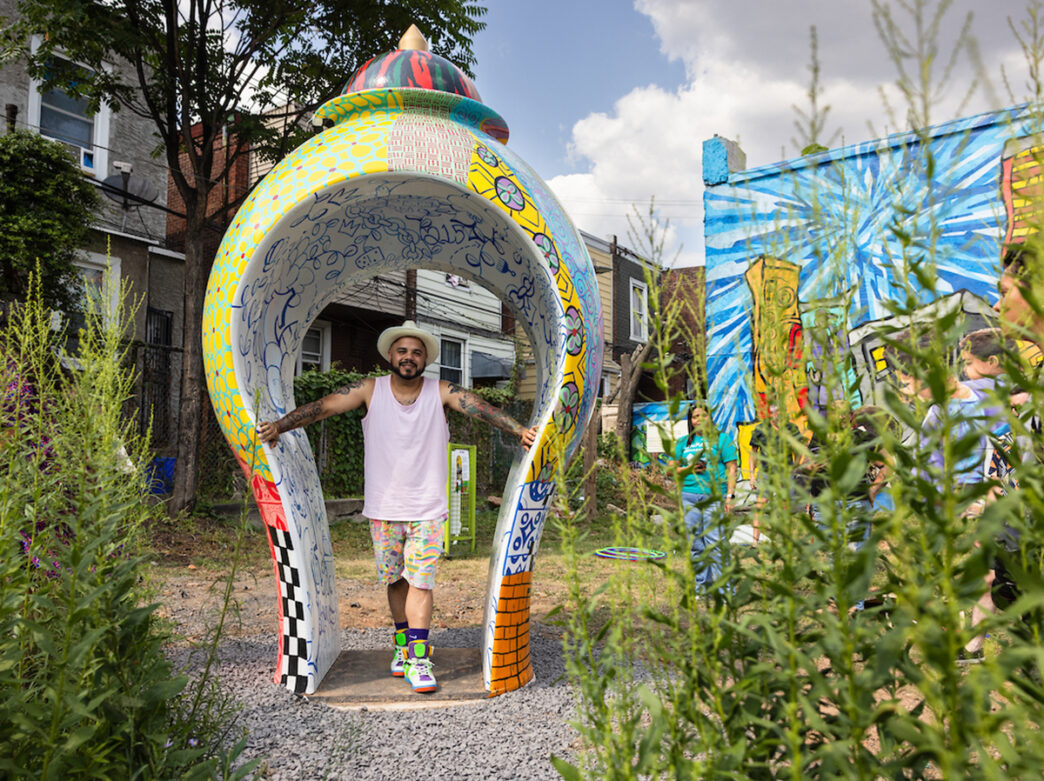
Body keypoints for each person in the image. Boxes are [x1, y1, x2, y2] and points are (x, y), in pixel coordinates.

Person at [257, 320, 537, 694]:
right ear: (390, 354)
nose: (409, 357)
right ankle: (402, 646)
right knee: (396, 581)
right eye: (402, 351)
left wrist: (519, 430)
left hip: (428, 508)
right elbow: (324, 407)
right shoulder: (370, 389)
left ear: (425, 360)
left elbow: (479, 407)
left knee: (421, 581)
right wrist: (280, 426)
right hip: (384, 508)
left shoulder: (440, 391)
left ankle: (419, 659)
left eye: (416, 352)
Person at [669, 403, 738, 592]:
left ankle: (725, 590)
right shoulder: (683, 442)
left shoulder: (722, 440)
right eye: (695, 417)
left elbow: (732, 469)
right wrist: (689, 468)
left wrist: (730, 496)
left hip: (714, 496)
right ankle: (702, 587)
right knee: (695, 544)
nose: (699, 420)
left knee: (716, 542)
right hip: (688, 497)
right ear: (690, 420)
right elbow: (670, 470)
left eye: (703, 416)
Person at [749, 399, 803, 543]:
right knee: (760, 506)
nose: (779, 415)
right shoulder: (761, 429)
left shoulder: (791, 428)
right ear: (771, 413)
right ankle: (755, 542)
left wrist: (795, 467)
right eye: (776, 413)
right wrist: (751, 475)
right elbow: (753, 453)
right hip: (766, 473)